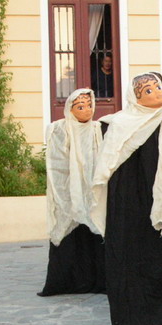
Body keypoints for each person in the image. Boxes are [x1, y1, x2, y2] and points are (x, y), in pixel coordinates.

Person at [90, 72, 162, 325]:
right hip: (131, 208)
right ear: (135, 98)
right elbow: (108, 169)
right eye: (147, 90)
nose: (156, 92)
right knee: (132, 262)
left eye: (157, 86)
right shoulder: (119, 124)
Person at [38, 88, 105, 296]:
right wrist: (68, 191)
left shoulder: (99, 129)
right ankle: (66, 282)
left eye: (89, 105)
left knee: (95, 230)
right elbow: (57, 165)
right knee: (69, 232)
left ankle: (99, 281)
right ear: (70, 109)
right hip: (68, 192)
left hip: (93, 192)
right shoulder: (60, 129)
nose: (86, 110)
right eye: (80, 106)